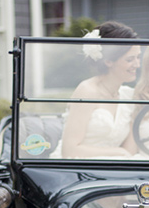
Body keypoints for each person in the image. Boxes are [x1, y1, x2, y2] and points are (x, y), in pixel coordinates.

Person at [60, 21, 140, 158]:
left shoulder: (129, 95)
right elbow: (69, 150)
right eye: (130, 59)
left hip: (115, 168)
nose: (137, 65)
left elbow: (130, 151)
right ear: (108, 61)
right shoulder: (87, 91)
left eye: (138, 57)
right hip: (78, 167)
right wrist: (118, 152)